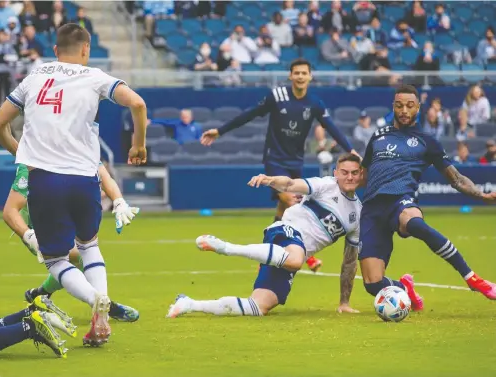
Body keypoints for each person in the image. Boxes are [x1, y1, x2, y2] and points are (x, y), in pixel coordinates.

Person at [0, 23, 148, 346]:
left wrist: (22, 153)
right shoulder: (95, 77)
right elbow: (138, 104)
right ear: (86, 49)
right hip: (86, 179)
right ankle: (101, 312)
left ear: (56, 50)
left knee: (58, 260)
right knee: (89, 246)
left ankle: (94, 301)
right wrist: (138, 145)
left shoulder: (34, 77)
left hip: (45, 179)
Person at [200, 59, 358, 273]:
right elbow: (250, 114)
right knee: (291, 200)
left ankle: (270, 251)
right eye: (297, 73)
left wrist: (350, 150)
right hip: (274, 159)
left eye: (304, 73)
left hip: (296, 161)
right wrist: (220, 131)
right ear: (290, 76)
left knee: (284, 208)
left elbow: (331, 127)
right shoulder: (277, 96)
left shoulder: (315, 103)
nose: (300, 76)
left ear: (310, 76)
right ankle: (303, 256)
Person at [167, 154, 363, 318]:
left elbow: (349, 262)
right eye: (344, 172)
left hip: (289, 254)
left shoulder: (357, 214)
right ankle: (226, 248)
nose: (349, 177)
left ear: (361, 175)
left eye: (354, 173)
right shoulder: (325, 185)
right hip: (286, 231)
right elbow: (290, 183)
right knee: (296, 260)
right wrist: (270, 180)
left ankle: (189, 304)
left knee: (259, 307)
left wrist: (344, 302)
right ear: (335, 173)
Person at [358, 85, 496, 312]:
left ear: (418, 108)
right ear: (393, 106)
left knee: (414, 223)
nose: (404, 110)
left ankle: (471, 278)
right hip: (372, 209)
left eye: (410, 106)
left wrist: (480, 194)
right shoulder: (378, 136)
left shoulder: (427, 141)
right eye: (399, 105)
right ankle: (404, 287)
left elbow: (457, 178)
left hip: (400, 200)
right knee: (373, 285)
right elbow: (363, 175)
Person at [3, 160, 140, 322]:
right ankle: (104, 306)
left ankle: (42, 293)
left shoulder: (79, 145)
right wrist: (28, 236)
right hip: (40, 226)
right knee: (77, 255)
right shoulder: (33, 161)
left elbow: (104, 176)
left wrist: (118, 201)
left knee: (83, 252)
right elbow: (10, 210)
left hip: (68, 214)